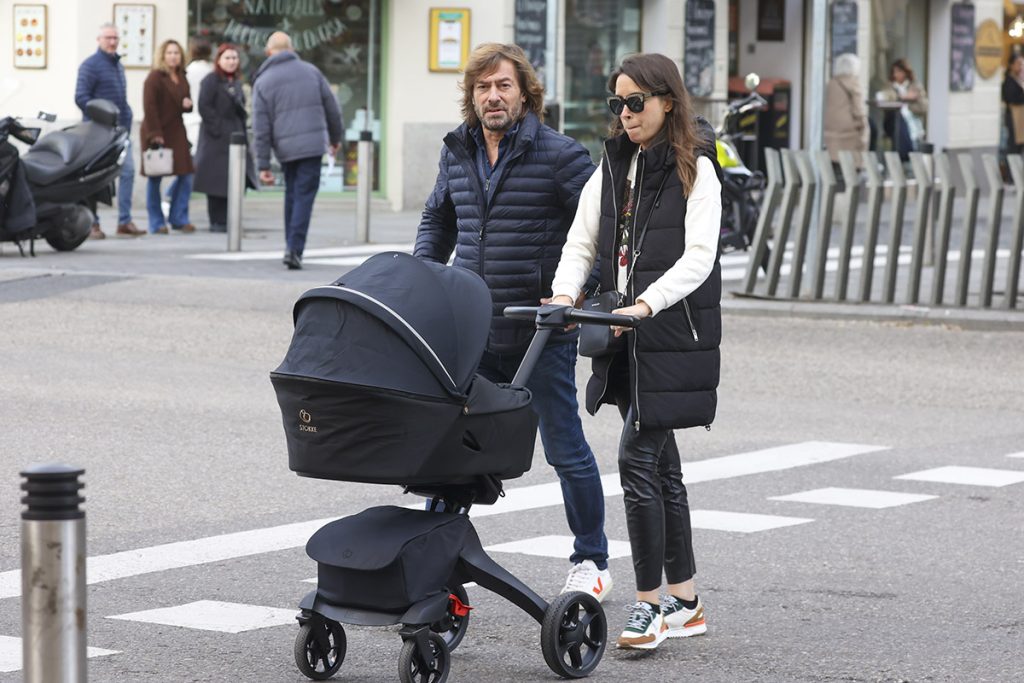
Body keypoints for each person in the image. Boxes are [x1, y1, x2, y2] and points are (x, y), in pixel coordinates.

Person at [414, 43, 615, 602]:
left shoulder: (561, 155)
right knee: (454, 445)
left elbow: (601, 232)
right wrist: (421, 279)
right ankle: (437, 558)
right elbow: (439, 217)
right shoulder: (457, 150)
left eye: (503, 85)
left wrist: (574, 296)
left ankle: (592, 559)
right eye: (483, 87)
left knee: (564, 447)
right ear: (471, 96)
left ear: (525, 93)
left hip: (539, 331)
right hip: (471, 330)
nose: (492, 96)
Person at [550, 52, 722, 650]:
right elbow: (583, 238)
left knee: (636, 461)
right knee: (664, 469)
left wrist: (643, 306)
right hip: (623, 338)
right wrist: (566, 293)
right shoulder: (614, 164)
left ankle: (649, 605)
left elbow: (698, 259)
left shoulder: (697, 167)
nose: (625, 115)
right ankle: (687, 600)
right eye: (616, 103)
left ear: (667, 101)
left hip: (672, 338)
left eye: (636, 102)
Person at [252, 32, 342, 270]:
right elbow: (332, 108)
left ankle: (290, 246)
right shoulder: (311, 72)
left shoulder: (263, 81)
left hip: (285, 148)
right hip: (312, 146)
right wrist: (336, 138)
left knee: (291, 195)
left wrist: (263, 165)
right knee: (303, 197)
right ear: (291, 49)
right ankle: (294, 248)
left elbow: (260, 127)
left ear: (268, 52)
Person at [74, 22, 144, 239]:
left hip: (120, 131)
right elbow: (81, 97)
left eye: (115, 38)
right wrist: (103, 114)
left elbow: (120, 99)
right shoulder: (90, 65)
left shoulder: (118, 65)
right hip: (98, 132)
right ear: (99, 40)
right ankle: (92, 223)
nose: (112, 42)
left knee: (129, 172)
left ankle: (124, 221)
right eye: (108, 38)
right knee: (96, 179)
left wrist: (128, 114)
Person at [193, 44, 258, 232]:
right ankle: (217, 220)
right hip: (216, 138)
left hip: (235, 136)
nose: (231, 62)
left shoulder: (236, 82)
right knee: (216, 182)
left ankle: (231, 219)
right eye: (227, 58)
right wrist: (218, 129)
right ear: (219, 60)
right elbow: (204, 106)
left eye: (234, 58)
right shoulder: (211, 80)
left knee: (234, 180)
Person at [140, 39, 195, 234]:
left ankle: (178, 217)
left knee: (186, 174)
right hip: (157, 130)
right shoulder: (155, 77)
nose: (173, 56)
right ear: (163, 56)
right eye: (170, 53)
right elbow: (150, 106)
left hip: (176, 130)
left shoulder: (182, 76)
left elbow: (182, 102)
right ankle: (156, 222)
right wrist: (155, 134)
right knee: (156, 177)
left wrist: (187, 105)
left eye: (176, 53)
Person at [824, 53, 868, 162]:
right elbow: (858, 109)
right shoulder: (854, 83)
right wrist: (863, 124)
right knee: (852, 163)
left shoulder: (831, 83)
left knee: (835, 161)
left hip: (830, 128)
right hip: (849, 130)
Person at [880, 58, 928, 160]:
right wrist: (901, 97)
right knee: (899, 122)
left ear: (905, 72)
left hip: (913, 123)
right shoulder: (889, 86)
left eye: (899, 71)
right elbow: (885, 102)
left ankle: (906, 156)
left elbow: (924, 107)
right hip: (893, 121)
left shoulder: (915, 87)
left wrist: (911, 102)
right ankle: (904, 156)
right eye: (894, 72)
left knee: (906, 128)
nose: (896, 75)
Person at [1002, 54, 1024, 156]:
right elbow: (1011, 98)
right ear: (1011, 65)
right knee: (1013, 147)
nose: (1021, 67)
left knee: (1018, 147)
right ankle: (1010, 171)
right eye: (1019, 64)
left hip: (1019, 118)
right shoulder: (1009, 81)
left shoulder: (1018, 79)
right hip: (1013, 118)